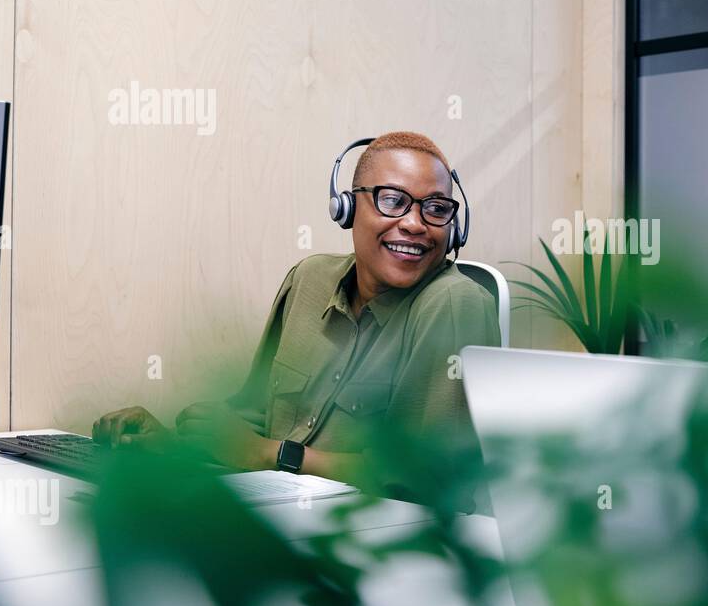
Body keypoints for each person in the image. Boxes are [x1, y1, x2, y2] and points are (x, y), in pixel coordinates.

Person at [93, 131, 500, 499]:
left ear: (454, 227)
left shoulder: (452, 303)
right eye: (392, 201)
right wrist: (170, 448)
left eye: (436, 209)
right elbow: (251, 421)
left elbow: (428, 475)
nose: (415, 224)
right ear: (345, 208)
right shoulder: (309, 280)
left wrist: (276, 455)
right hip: (278, 518)